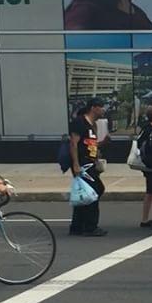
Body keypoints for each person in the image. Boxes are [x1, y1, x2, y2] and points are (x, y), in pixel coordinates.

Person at [68, 98, 107, 236]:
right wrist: (76, 164)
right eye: (101, 107)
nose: (103, 110)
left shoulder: (92, 125)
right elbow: (73, 144)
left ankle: (77, 225)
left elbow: (90, 145)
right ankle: (91, 226)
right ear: (93, 108)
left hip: (90, 162)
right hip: (83, 164)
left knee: (84, 193)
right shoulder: (80, 122)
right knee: (94, 191)